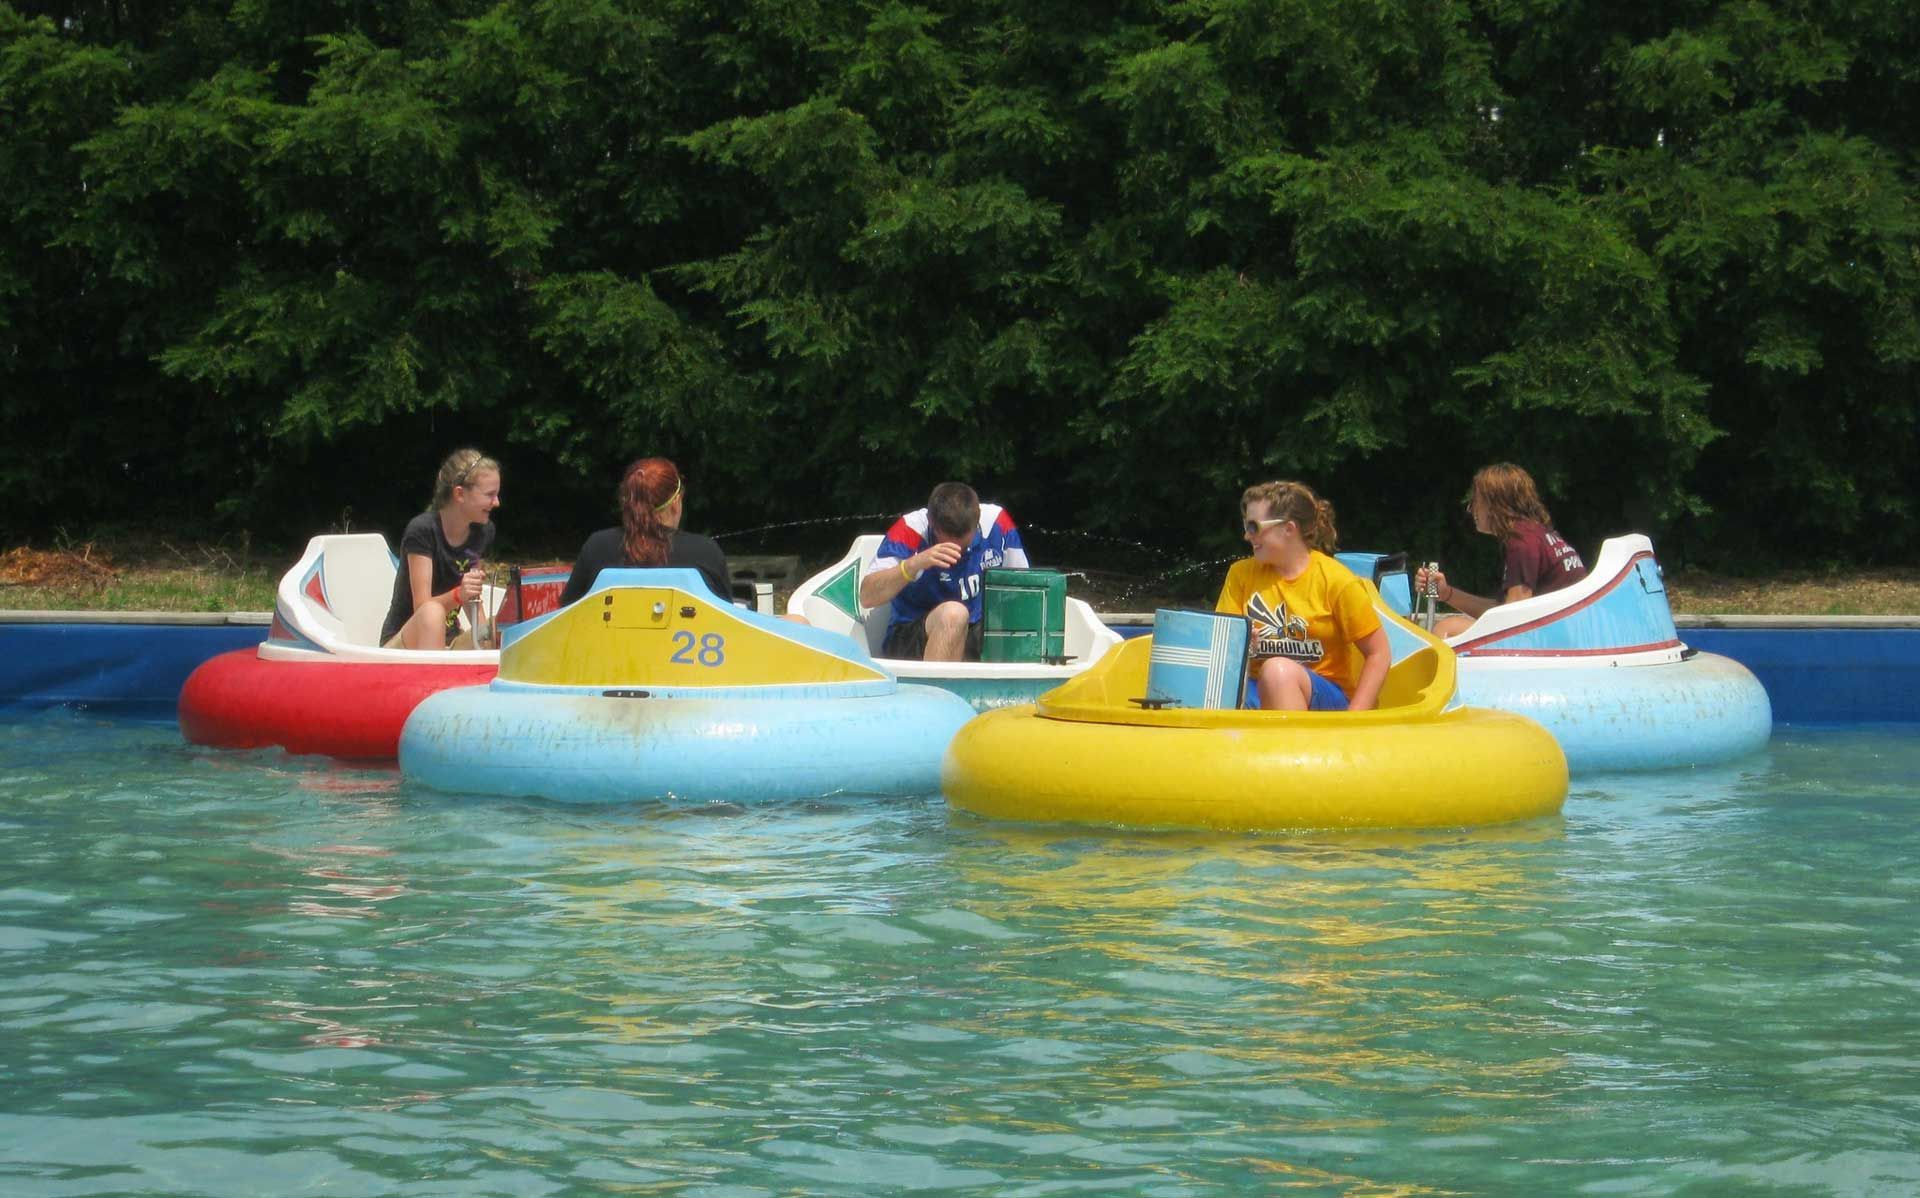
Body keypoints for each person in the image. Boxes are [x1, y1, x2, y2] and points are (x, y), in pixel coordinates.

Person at [1215, 480, 1390, 711]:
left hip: (1324, 697)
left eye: (1254, 527)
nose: (1247, 536)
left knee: (1278, 672)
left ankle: (1292, 746)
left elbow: (1379, 653)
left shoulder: (1337, 581)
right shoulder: (1240, 574)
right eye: (1246, 526)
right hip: (1257, 691)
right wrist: (1242, 647)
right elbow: (1221, 654)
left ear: (1288, 528)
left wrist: (1353, 718)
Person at [1414, 463, 1588, 638]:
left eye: (1476, 501)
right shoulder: (1536, 534)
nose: (1470, 509)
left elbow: (1512, 619)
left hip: (1558, 638)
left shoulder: (1522, 542)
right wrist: (1447, 593)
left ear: (1494, 504)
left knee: (1448, 629)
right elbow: (1504, 611)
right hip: (1571, 632)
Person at [859, 482, 1028, 661]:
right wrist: (914, 564)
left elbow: (1025, 590)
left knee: (1014, 625)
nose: (956, 551)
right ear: (932, 524)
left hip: (975, 630)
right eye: (946, 542)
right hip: (912, 636)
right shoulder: (911, 529)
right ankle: (935, 688)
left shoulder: (996, 523)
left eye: (963, 543)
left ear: (976, 521)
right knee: (953, 615)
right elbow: (867, 597)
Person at [558, 457, 732, 606]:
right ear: (675, 502)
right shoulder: (705, 551)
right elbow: (726, 620)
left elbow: (567, 611)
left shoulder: (597, 546)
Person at [381, 448, 502, 649]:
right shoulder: (423, 531)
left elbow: (472, 598)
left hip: (447, 644)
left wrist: (486, 638)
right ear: (460, 494)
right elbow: (422, 609)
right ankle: (433, 678)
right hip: (405, 647)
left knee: (502, 625)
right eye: (490, 495)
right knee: (432, 612)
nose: (497, 502)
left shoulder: (482, 531)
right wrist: (457, 595)